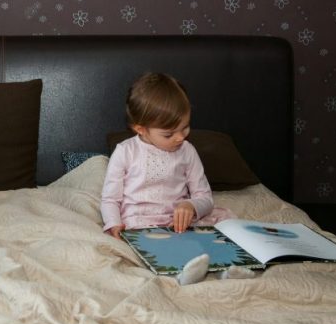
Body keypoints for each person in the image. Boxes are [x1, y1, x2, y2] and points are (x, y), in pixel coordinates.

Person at [100, 72, 252, 285]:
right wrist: (113, 223)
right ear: (140, 129)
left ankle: (229, 268)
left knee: (226, 225)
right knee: (154, 249)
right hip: (142, 223)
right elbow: (110, 199)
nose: (181, 137)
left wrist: (191, 205)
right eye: (169, 134)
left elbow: (204, 197)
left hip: (180, 221)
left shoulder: (187, 151)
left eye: (185, 128)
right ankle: (183, 274)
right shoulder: (125, 152)